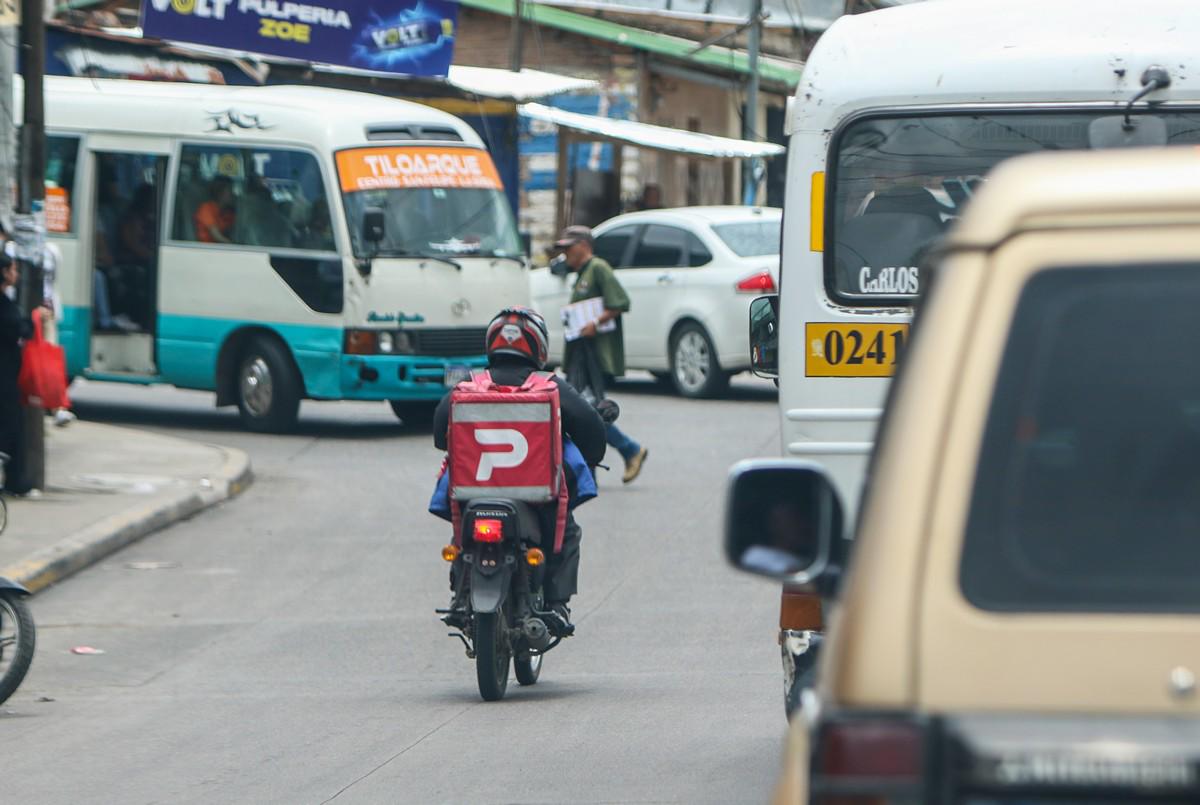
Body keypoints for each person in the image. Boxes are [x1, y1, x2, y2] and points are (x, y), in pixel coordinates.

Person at [432, 306, 607, 628]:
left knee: (460, 540)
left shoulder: (469, 385)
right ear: (538, 345)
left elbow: (440, 437)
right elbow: (591, 431)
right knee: (566, 533)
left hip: (473, 497)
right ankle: (556, 604)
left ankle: (460, 594)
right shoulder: (551, 386)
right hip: (536, 500)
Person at [555, 224, 649, 484]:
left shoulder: (598, 268)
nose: (565, 255)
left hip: (591, 356)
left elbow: (620, 302)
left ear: (583, 246)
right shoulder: (583, 273)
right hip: (580, 356)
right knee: (583, 411)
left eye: (568, 248)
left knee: (587, 412)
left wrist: (594, 324)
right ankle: (592, 470)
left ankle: (629, 450)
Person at [0, 252, 51, 495]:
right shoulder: (4, 305)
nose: (16, 275)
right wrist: (33, 319)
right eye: (13, 269)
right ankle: (15, 482)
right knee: (11, 426)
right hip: (5, 376)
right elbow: (17, 328)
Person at [194, 176, 236, 244]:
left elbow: (234, 230)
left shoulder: (228, 212)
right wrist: (234, 246)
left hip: (219, 248)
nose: (233, 194)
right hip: (206, 249)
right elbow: (217, 236)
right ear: (220, 192)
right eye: (230, 191)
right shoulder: (206, 209)